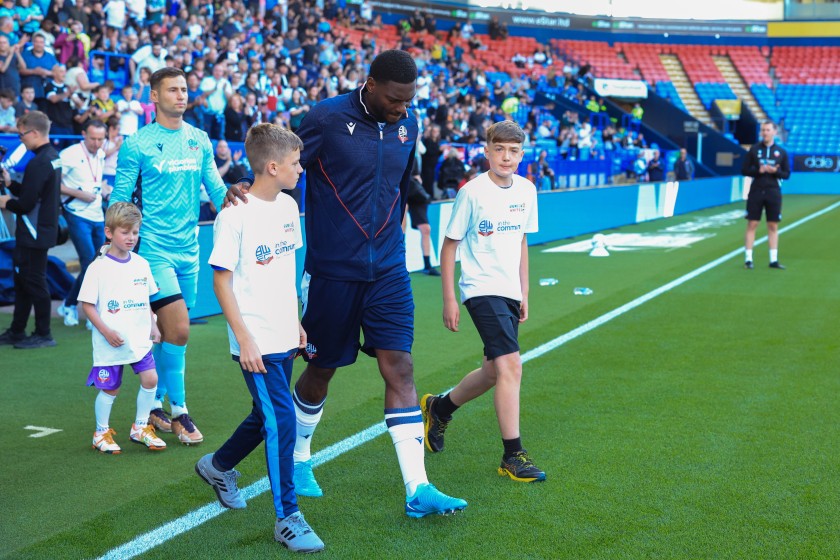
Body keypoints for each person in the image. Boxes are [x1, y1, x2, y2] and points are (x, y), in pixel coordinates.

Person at [227, 49, 466, 518]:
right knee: (320, 371)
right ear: (371, 85)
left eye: (409, 100)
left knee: (401, 368)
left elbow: (399, 185)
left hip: (390, 271)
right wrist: (241, 183)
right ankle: (299, 461)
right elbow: (279, 162)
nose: (403, 108)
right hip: (334, 272)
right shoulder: (326, 118)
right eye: (395, 99)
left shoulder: (408, 126)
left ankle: (418, 489)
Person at [196, 124, 324, 553]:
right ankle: (287, 518)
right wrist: (244, 339)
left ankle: (218, 466)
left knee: (266, 412)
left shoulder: (288, 206)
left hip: (285, 330)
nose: (300, 169)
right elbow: (221, 283)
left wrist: (298, 320)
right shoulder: (234, 215)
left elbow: (285, 270)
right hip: (254, 339)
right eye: (294, 163)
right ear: (272, 166)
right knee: (281, 420)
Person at [421, 120, 545, 483]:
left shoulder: (527, 190)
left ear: (522, 155)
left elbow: (522, 242)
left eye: (514, 150)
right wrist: (449, 298)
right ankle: (513, 455)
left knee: (494, 371)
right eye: (499, 149)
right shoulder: (472, 192)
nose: (506, 156)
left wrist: (525, 291)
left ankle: (439, 407)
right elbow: (449, 245)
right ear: (487, 151)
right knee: (511, 368)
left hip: (508, 290)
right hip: (480, 289)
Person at [111, 67, 229, 445]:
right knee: (179, 328)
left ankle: (154, 406)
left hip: (190, 250)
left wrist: (247, 197)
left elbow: (217, 189)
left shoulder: (199, 139)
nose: (181, 95)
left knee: (167, 336)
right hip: (154, 250)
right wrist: (116, 241)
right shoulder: (138, 143)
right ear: (154, 96)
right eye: (172, 90)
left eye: (184, 89)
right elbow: (120, 197)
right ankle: (179, 411)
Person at [79, 201, 167, 454]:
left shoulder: (141, 264)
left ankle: (140, 427)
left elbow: (146, 299)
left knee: (151, 378)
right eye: (125, 232)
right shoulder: (97, 268)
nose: (131, 238)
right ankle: (101, 432)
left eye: (135, 232)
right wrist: (106, 332)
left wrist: (153, 323)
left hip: (139, 337)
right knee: (111, 387)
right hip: (110, 341)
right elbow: (87, 305)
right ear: (109, 232)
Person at [0, 111, 61, 349]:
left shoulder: (39, 162)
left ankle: (44, 333)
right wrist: (10, 184)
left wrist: (4, 202)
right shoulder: (51, 156)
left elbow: (25, 204)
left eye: (22, 134)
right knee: (23, 281)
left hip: (34, 231)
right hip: (40, 229)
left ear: (34, 132)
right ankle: (17, 330)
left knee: (34, 282)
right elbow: (32, 193)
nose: (20, 139)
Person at [56, 119, 106, 329]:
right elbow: (54, 184)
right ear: (84, 134)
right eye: (93, 138)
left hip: (98, 215)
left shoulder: (102, 154)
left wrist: (102, 188)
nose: (96, 143)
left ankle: (70, 303)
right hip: (76, 213)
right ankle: (81, 309)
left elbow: (95, 180)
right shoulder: (69, 154)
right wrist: (79, 194)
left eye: (101, 139)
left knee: (101, 264)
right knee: (89, 263)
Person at [741, 120, 790, 270]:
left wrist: (776, 172)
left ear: (775, 132)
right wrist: (758, 171)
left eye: (768, 130)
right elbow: (744, 170)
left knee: (773, 225)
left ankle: (773, 260)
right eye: (763, 130)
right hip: (756, 190)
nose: (765, 133)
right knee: (752, 223)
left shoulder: (781, 152)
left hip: (773, 191)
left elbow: (787, 174)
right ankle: (748, 259)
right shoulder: (754, 150)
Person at [407, 163, 439, 276]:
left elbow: (416, 173)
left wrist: (416, 177)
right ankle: (398, 265)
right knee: (400, 229)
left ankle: (427, 265)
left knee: (426, 229)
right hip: (397, 189)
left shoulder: (414, 153)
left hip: (413, 190)